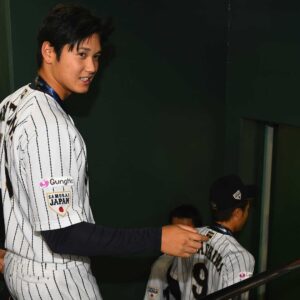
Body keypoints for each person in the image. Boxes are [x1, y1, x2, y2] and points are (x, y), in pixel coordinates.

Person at [0, 3, 208, 300]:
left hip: (22, 267)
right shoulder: (50, 126)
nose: (92, 67)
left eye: (96, 57)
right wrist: (159, 238)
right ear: (49, 52)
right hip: (56, 279)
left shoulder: (15, 101)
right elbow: (64, 235)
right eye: (81, 54)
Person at [167, 174, 257, 299]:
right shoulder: (241, 257)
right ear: (237, 213)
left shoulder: (190, 236)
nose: (248, 213)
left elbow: (174, 283)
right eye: (247, 208)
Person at [144, 203, 203, 299]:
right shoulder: (162, 265)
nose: (181, 236)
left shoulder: (211, 259)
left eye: (186, 230)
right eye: (177, 231)